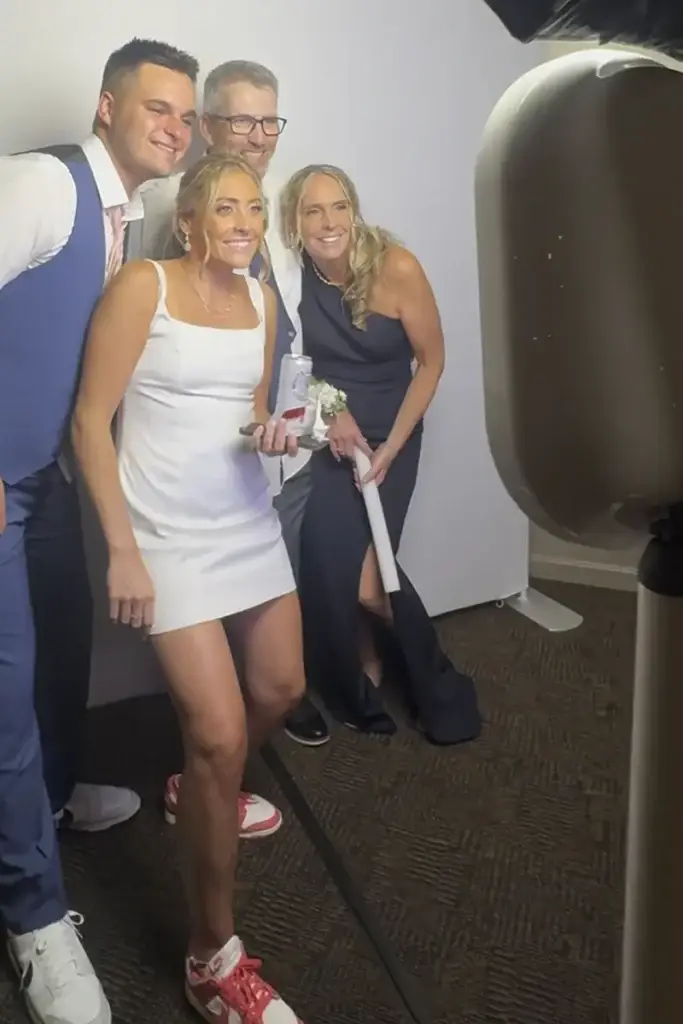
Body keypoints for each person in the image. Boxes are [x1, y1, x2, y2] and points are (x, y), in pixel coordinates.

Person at [72, 153, 304, 1024]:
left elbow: (251, 412)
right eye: (226, 208)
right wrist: (122, 551)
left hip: (245, 522)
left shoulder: (263, 301)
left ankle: (196, 791)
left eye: (254, 208)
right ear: (190, 221)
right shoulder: (145, 286)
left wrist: (273, 432)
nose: (244, 223)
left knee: (280, 687)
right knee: (216, 732)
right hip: (164, 538)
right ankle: (212, 957)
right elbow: (90, 421)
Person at [0, 37, 198, 1024]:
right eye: (158, 108)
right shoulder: (43, 184)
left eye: (187, 116)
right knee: (4, 691)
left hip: (48, 480)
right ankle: (33, 913)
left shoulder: (134, 218)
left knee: (63, 647)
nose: (176, 128)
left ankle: (48, 799)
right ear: (108, 107)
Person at [138, 59, 330, 751]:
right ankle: (206, 755)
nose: (258, 136)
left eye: (269, 121)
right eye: (243, 120)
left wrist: (317, 412)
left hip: (273, 456)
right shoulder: (171, 219)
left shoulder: (271, 218)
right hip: (191, 483)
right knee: (204, 668)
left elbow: (289, 339)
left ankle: (241, 736)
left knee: (274, 658)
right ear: (208, 126)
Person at [279, 164, 483, 745]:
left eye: (339, 207)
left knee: (374, 581)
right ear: (295, 223)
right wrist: (328, 407)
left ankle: (439, 688)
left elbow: (432, 362)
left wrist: (393, 444)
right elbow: (290, 364)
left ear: (354, 210)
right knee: (330, 569)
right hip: (330, 439)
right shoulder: (291, 277)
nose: (329, 222)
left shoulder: (397, 267)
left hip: (392, 438)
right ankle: (357, 682)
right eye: (313, 211)